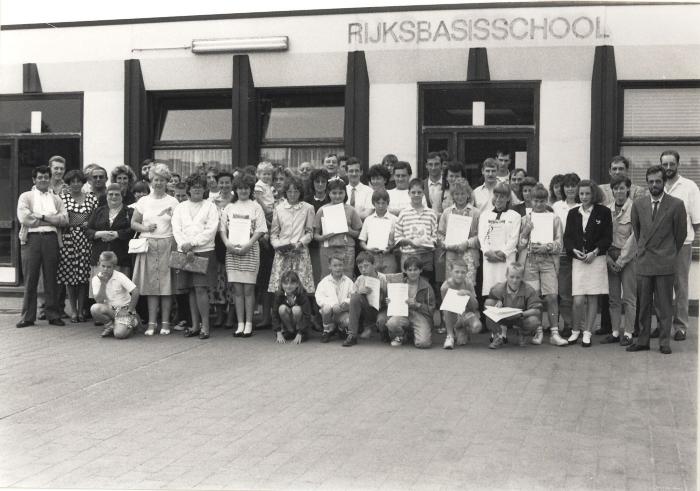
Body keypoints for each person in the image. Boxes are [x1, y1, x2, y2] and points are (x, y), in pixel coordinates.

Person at [627, 165, 687, 355]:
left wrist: (667, 251)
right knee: (643, 304)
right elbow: (637, 232)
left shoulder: (676, 205)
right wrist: (645, 249)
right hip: (644, 261)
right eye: (651, 181)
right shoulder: (638, 204)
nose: (654, 185)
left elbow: (680, 234)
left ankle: (664, 342)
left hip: (665, 262)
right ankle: (643, 341)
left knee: (664, 305)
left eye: (658, 181)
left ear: (664, 182)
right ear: (647, 183)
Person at [130, 163, 180, 336]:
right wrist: (145, 228)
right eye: (155, 179)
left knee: (166, 286)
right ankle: (152, 323)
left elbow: (178, 225)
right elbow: (133, 223)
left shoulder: (173, 201)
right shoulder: (144, 201)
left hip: (167, 244)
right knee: (151, 287)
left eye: (162, 180)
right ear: (151, 181)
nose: (158, 183)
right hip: (149, 244)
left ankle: (165, 323)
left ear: (167, 181)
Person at [16, 165, 69, 328]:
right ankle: (27, 317)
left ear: (50, 179)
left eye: (46, 177)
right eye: (40, 177)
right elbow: (25, 218)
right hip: (32, 239)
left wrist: (43, 216)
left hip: (51, 239)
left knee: (51, 277)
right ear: (34, 179)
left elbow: (65, 220)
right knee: (31, 278)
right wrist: (51, 219)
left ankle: (53, 315)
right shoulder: (26, 197)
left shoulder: (56, 199)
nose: (44, 180)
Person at [563, 179, 612, 348]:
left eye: (587, 193)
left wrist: (595, 251)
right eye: (581, 193)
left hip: (596, 259)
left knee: (592, 298)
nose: (584, 197)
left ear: (594, 194)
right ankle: (575, 331)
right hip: (579, 260)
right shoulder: (572, 213)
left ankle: (587, 333)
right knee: (578, 300)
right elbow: (567, 238)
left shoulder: (604, 212)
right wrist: (573, 251)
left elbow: (607, 238)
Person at [518, 184, 568, 346]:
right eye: (535, 201)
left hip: (548, 262)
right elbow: (519, 245)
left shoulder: (553, 218)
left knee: (552, 295)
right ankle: (538, 331)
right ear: (530, 201)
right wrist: (525, 232)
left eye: (541, 201)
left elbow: (560, 244)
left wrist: (546, 247)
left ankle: (554, 332)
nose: (538, 204)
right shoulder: (525, 219)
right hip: (530, 261)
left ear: (546, 201)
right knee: (534, 297)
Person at [171, 174, 220, 340]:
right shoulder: (180, 207)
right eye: (194, 186)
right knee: (190, 289)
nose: (197, 189)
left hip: (204, 250)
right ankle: (194, 325)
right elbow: (176, 229)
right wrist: (185, 246)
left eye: (200, 186)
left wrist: (192, 244)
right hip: (184, 251)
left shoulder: (210, 206)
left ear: (204, 188)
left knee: (200, 288)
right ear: (188, 189)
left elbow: (211, 230)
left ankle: (205, 326)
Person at [221, 174, 267, 338]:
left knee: (248, 289)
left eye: (246, 188)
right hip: (232, 250)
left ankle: (249, 323)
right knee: (237, 290)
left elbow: (261, 229)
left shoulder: (256, 207)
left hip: (250, 250)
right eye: (240, 188)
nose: (243, 191)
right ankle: (239, 323)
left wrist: (249, 244)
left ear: (251, 190)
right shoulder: (229, 207)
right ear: (236, 190)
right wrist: (227, 243)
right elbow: (222, 229)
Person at [660, 150, 700, 341]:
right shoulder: (657, 185)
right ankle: (663, 326)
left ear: (678, 164)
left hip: (681, 245)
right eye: (665, 164)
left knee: (680, 286)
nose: (668, 168)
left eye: (671, 164)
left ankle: (681, 327)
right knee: (660, 286)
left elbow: (697, 220)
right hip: (659, 245)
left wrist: (685, 238)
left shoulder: (689, 187)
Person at [57, 169, 99, 323]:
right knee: (70, 277)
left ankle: (81, 310)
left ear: (83, 182)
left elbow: (96, 218)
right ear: (68, 183)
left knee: (83, 277)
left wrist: (89, 223)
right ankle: (73, 311)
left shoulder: (91, 198)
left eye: (78, 181)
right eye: (72, 181)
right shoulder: (62, 199)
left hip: (86, 240)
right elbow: (59, 220)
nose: (75, 184)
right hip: (68, 239)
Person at [602, 175, 637, 346]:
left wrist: (622, 260)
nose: (619, 191)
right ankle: (615, 331)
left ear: (628, 189)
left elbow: (635, 238)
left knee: (629, 297)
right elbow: (602, 237)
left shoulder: (635, 209)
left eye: (622, 188)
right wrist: (608, 258)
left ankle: (629, 333)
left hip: (628, 258)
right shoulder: (606, 210)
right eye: (615, 188)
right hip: (610, 257)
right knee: (614, 298)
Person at [268, 176, 316, 294]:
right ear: (285, 192)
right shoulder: (278, 208)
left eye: (296, 191)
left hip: (300, 252)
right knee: (281, 288)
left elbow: (310, 232)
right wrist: (279, 246)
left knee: (300, 288)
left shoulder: (308, 208)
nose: (293, 194)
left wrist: (300, 243)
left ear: (300, 192)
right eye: (289, 191)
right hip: (282, 253)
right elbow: (274, 234)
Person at [478, 182, 521, 297]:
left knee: (506, 292)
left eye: (502, 196)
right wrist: (488, 252)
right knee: (490, 293)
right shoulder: (484, 215)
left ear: (508, 198)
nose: (498, 199)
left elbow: (514, 238)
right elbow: (482, 237)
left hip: (506, 259)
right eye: (496, 195)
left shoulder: (515, 216)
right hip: (489, 259)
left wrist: (502, 253)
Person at [484, 262, 542, 348]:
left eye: (518, 277)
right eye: (511, 277)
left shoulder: (529, 290)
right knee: (488, 306)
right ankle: (497, 336)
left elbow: (536, 310)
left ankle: (522, 334)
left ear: (522, 277)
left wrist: (522, 314)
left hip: (519, 318)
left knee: (534, 320)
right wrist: (498, 301)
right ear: (506, 275)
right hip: (502, 317)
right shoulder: (498, 288)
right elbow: (489, 301)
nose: (514, 280)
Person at [313, 178, 362, 278]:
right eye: (334, 193)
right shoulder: (322, 210)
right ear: (328, 193)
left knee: (346, 277)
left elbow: (358, 233)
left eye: (341, 193)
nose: (338, 196)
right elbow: (315, 235)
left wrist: (348, 230)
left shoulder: (351, 210)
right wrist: (323, 237)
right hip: (327, 249)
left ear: (345, 193)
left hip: (347, 249)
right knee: (327, 277)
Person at [385, 256, 436, 349]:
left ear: (421, 270)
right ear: (405, 271)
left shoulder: (426, 286)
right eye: (410, 270)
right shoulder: (399, 284)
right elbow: (393, 304)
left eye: (415, 269)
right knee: (392, 323)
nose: (412, 272)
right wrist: (390, 302)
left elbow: (431, 310)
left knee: (423, 343)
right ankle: (399, 336)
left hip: (420, 316)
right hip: (403, 313)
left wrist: (418, 305)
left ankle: (412, 333)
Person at [552, 173, 580, 337]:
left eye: (573, 185)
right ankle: (568, 324)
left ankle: (580, 325)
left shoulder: (583, 205)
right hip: (562, 255)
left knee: (579, 292)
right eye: (567, 186)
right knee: (563, 292)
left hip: (579, 255)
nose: (570, 189)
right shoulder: (556, 206)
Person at [86, 184, 134, 281]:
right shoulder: (98, 211)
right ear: (106, 196)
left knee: (119, 291)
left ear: (122, 196)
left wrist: (117, 234)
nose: (113, 197)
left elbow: (133, 230)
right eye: (111, 194)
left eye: (117, 194)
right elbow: (88, 230)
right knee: (100, 291)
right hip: (100, 258)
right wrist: (99, 234)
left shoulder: (129, 212)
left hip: (121, 258)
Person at [438, 178, 480, 285]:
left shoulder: (476, 213)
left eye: (463, 193)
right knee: (452, 286)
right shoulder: (447, 212)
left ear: (468, 194)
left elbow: (480, 236)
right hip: (451, 255)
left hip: (469, 255)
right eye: (456, 194)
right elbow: (440, 234)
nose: (460, 197)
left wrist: (467, 243)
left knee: (468, 287)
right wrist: (447, 245)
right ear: (452, 195)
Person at [394, 178, 438, 281]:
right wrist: (410, 242)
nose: (416, 195)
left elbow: (434, 237)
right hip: (408, 256)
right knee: (408, 287)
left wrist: (426, 244)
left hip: (426, 256)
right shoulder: (403, 213)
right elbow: (397, 237)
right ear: (409, 193)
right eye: (413, 192)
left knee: (425, 285)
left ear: (423, 193)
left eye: (419, 192)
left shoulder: (431, 214)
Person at [91, 251, 140, 338]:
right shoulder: (96, 279)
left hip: (123, 309)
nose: (105, 269)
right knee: (95, 308)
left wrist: (129, 310)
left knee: (119, 334)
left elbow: (135, 291)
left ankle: (133, 320)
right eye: (103, 266)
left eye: (109, 267)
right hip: (110, 309)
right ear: (99, 264)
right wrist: (103, 284)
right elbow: (99, 301)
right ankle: (110, 325)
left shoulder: (120, 276)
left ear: (114, 267)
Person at [344, 251, 388, 347]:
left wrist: (384, 293)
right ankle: (352, 335)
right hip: (368, 311)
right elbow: (352, 299)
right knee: (355, 297)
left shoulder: (383, 278)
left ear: (373, 264)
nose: (363, 269)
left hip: (382, 309)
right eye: (360, 267)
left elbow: (391, 299)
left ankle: (384, 331)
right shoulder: (360, 279)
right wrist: (359, 292)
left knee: (382, 321)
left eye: (366, 266)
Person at [440, 259, 481, 349]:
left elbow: (475, 307)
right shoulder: (445, 287)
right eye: (457, 272)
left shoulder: (468, 283)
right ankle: (450, 335)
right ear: (451, 272)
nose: (460, 275)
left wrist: (469, 294)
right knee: (447, 308)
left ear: (466, 273)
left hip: (466, 313)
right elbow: (445, 309)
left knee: (477, 327)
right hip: (452, 314)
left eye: (463, 272)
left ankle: (462, 330)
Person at [315, 255, 355, 343]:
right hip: (329, 313)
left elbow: (353, 295)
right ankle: (327, 330)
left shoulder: (348, 282)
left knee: (348, 321)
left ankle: (340, 329)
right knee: (326, 308)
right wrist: (333, 305)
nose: (338, 268)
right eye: (335, 266)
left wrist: (345, 303)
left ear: (344, 266)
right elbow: (319, 298)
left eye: (340, 265)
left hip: (341, 311)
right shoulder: (324, 282)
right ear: (330, 266)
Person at [358, 189, 398, 274]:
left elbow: (398, 240)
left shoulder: (394, 219)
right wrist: (368, 248)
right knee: (372, 283)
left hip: (388, 256)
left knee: (389, 282)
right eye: (378, 203)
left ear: (388, 203)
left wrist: (391, 247)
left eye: (383, 203)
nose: (380, 206)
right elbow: (362, 241)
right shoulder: (368, 220)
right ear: (373, 203)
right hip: (372, 257)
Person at [272, 270, 312, 344]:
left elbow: (307, 315)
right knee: (281, 308)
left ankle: (299, 332)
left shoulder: (302, 295)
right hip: (288, 323)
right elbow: (274, 314)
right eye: (285, 283)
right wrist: (278, 332)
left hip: (300, 325)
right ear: (281, 284)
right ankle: (290, 331)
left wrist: (301, 332)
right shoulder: (279, 295)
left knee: (296, 309)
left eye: (292, 283)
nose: (288, 286)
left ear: (297, 284)